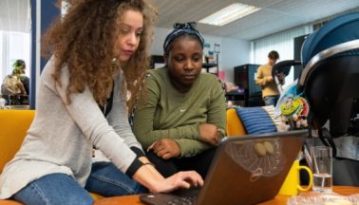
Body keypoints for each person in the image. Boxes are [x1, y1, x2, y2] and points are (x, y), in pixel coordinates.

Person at [0, 1, 203, 205]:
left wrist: (157, 179)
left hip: (82, 167)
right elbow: (99, 130)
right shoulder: (64, 64)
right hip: (40, 166)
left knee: (154, 190)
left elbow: (122, 130)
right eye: (124, 31)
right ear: (99, 27)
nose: (133, 41)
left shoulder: (116, 75)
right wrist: (156, 181)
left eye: (138, 33)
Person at [133, 22, 226, 179]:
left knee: (223, 157)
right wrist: (197, 131)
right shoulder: (151, 81)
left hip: (198, 153)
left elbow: (218, 136)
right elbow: (141, 136)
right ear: (166, 58)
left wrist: (180, 146)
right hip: (162, 154)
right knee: (154, 162)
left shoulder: (212, 84)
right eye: (179, 59)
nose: (189, 66)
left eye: (196, 58)